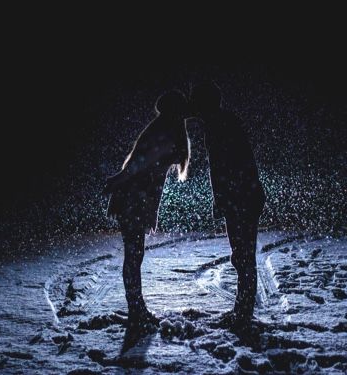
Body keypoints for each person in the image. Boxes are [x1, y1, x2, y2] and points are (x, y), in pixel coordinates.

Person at [103, 90, 190, 348]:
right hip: (134, 198)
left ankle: (136, 310)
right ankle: (136, 312)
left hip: (136, 197)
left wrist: (120, 181)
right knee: (134, 254)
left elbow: (140, 163)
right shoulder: (165, 130)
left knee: (134, 254)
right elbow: (140, 163)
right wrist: (118, 181)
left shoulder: (165, 128)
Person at [190, 82, 265, 329]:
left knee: (243, 257)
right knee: (243, 256)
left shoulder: (218, 126)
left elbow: (227, 167)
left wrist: (225, 201)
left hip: (241, 198)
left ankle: (243, 316)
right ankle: (242, 312)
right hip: (243, 197)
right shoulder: (222, 122)